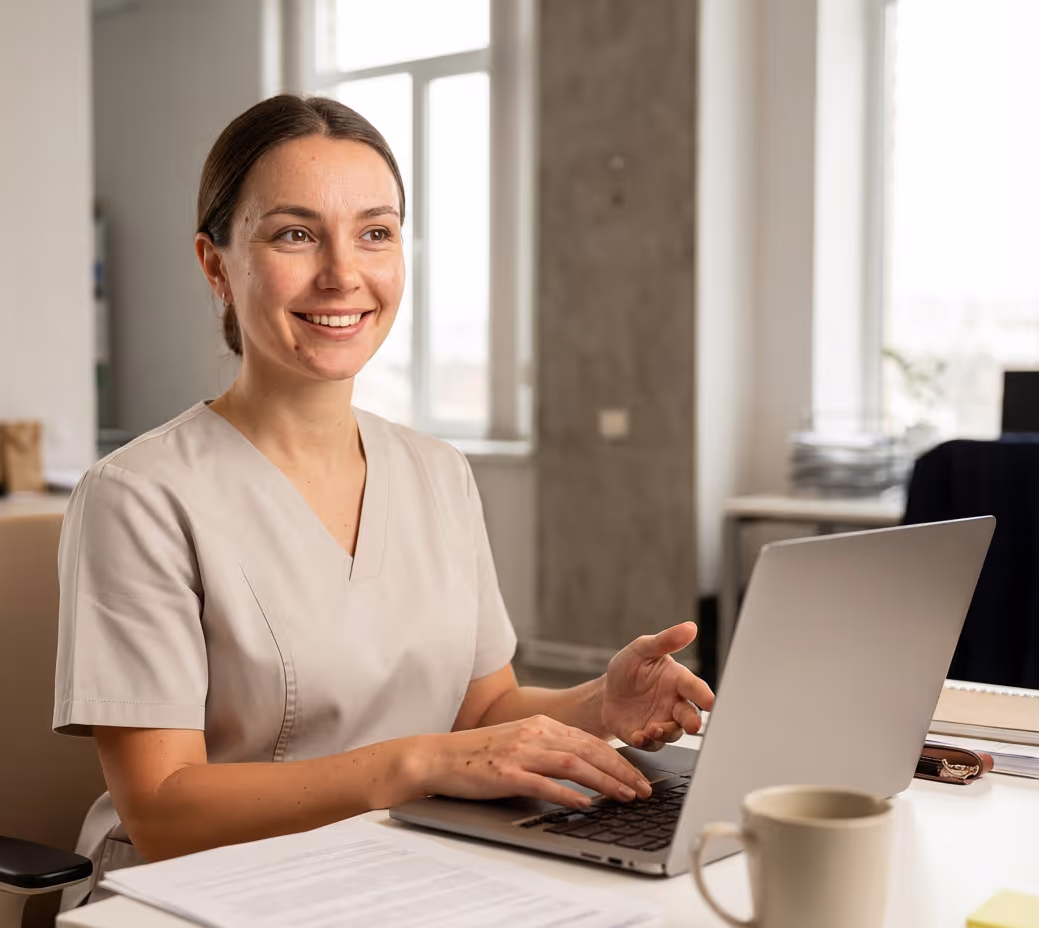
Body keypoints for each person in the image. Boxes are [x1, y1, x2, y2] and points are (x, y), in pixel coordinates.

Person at [53, 94, 714, 906]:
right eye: (295, 234)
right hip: (202, 894)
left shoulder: (437, 472)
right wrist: (417, 765)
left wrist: (599, 706)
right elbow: (161, 813)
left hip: (402, 869)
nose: (343, 274)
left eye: (376, 232)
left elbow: (485, 708)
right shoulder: (138, 497)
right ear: (216, 264)